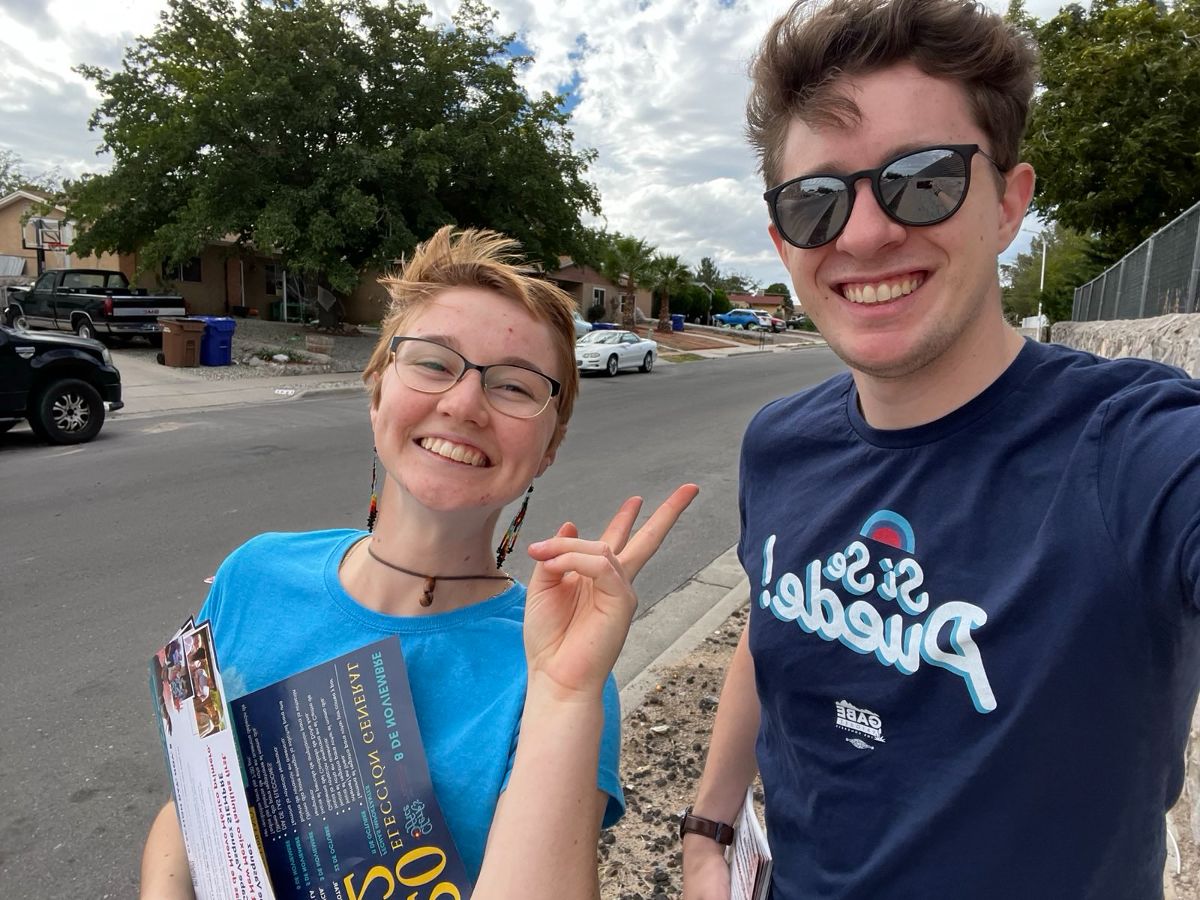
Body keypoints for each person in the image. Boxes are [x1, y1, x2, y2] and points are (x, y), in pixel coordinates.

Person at [682, 1, 1200, 898]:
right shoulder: (778, 442)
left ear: (1008, 203)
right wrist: (708, 826)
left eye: (921, 180)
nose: (864, 233)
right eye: (815, 201)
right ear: (782, 244)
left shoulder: (1132, 450)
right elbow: (770, 626)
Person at [140, 225, 699, 898]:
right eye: (433, 363)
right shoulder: (253, 575)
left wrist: (565, 694)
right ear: (377, 389)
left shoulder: (556, 668)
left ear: (550, 447)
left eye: (515, 386)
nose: (463, 404)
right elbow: (192, 812)